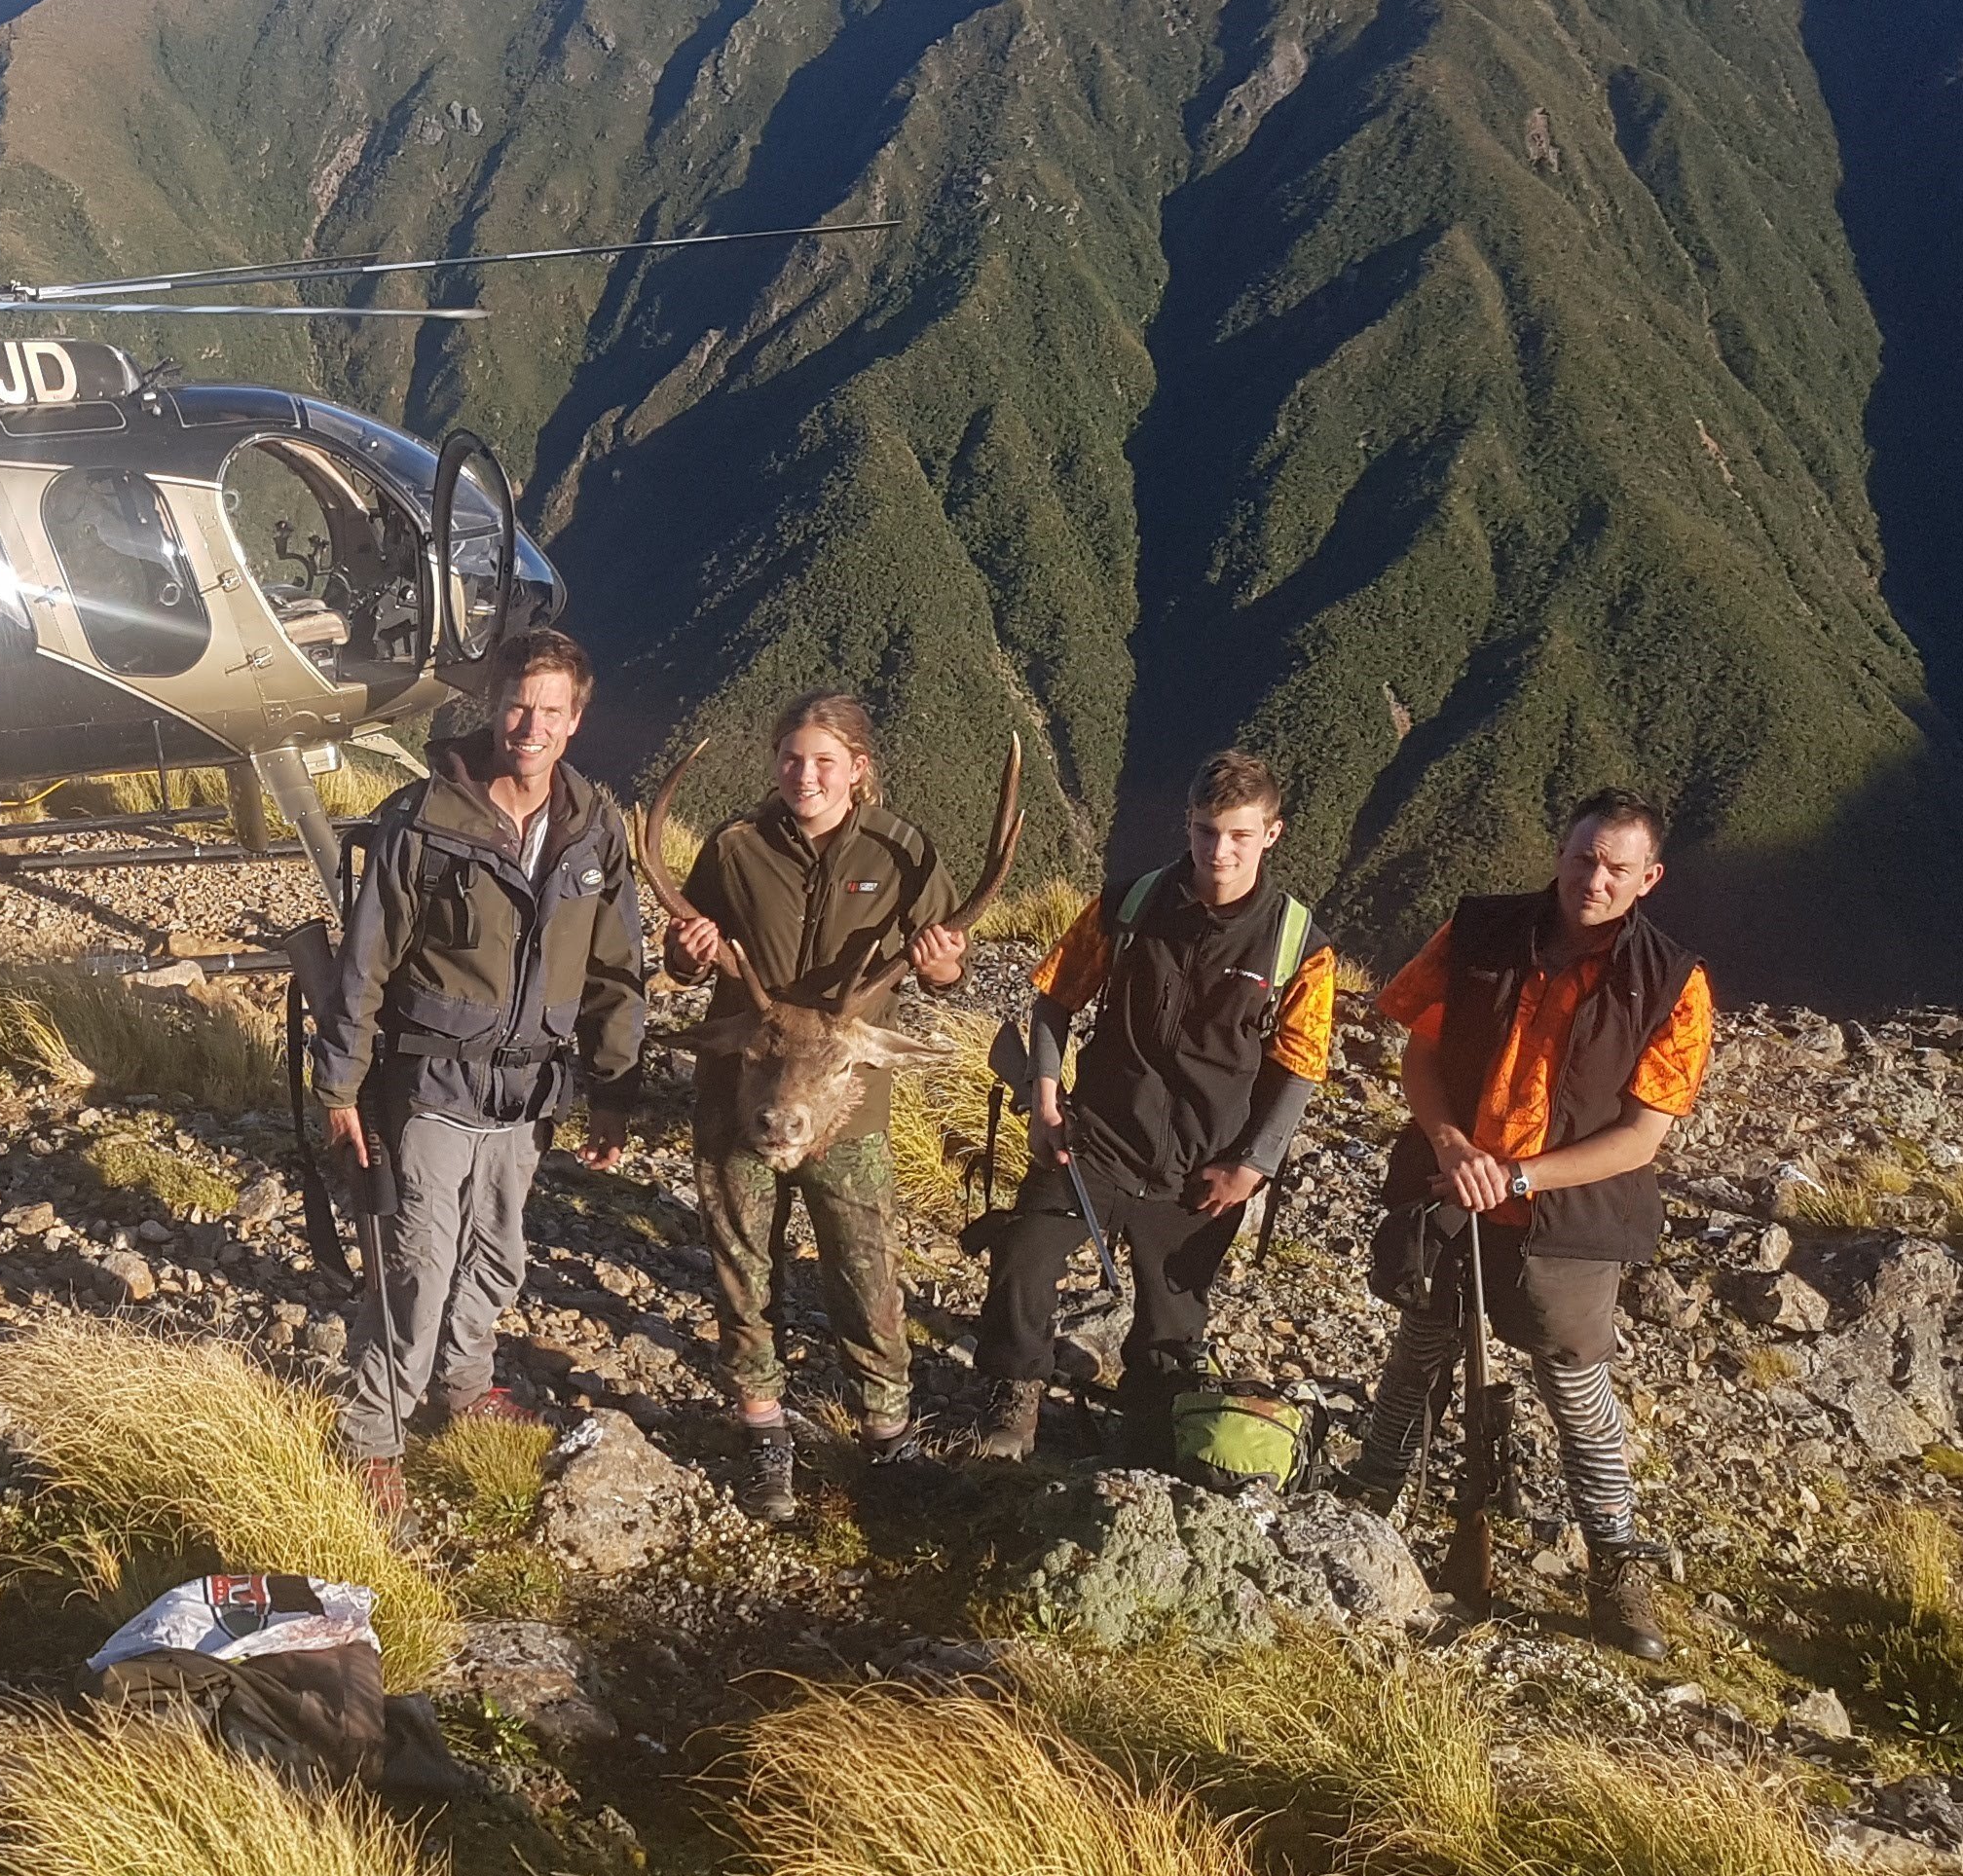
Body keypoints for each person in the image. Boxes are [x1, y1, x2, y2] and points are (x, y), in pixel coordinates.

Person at [1344, 791, 1712, 1661]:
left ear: (1649, 878)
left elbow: (1641, 1138)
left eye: (1618, 867)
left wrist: (1514, 1173)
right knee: (1418, 1351)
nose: (1596, 878)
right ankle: (1365, 1511)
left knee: (1577, 1390)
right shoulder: (1478, 933)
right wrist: (1451, 1146)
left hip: (1570, 1216)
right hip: (1447, 1188)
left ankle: (1616, 1565)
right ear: (1560, 852)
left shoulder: (1673, 984)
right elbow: (1420, 1051)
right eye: (1585, 857)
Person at [313, 629, 646, 1526]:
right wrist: (339, 1090)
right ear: (491, 707)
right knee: (416, 1264)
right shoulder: (421, 820)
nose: (528, 726)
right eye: (516, 705)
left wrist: (614, 1088)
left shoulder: (593, 830)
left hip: (530, 1096)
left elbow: (617, 967)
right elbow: (364, 963)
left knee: (495, 1257)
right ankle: (373, 1437)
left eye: (550, 711)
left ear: (576, 721)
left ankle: (464, 1387)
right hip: (430, 1086)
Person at [968, 749, 1333, 1463]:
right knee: (1022, 1258)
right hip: (1095, 1142)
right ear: (1187, 825)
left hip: (1205, 1167)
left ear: (1273, 834)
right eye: (1204, 831)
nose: (1218, 851)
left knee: (1173, 1327)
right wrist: (1044, 1099)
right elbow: (1053, 1001)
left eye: (1237, 834)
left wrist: (1251, 1168)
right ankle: (1015, 1401)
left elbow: (1300, 1072)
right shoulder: (1126, 904)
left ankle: (1148, 1427)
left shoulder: (1300, 947)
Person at [661, 693, 968, 1523]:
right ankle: (762, 1428)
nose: (805, 774)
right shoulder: (733, 848)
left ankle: (887, 1433)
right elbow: (686, 951)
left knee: (864, 1267)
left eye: (825, 761)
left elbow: (945, 960)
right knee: (741, 1262)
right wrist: (687, 957)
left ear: (858, 770)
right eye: (792, 758)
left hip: (846, 1100)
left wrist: (943, 968)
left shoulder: (903, 853)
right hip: (742, 1090)